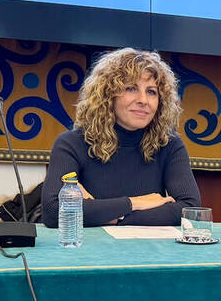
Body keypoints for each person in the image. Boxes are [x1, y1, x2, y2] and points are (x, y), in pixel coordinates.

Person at [41, 48, 201, 228]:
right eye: (131, 88)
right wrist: (134, 203)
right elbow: (53, 212)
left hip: (147, 245)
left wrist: (113, 217)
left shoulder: (168, 144)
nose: (143, 100)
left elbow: (190, 209)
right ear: (108, 95)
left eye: (151, 91)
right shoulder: (71, 143)